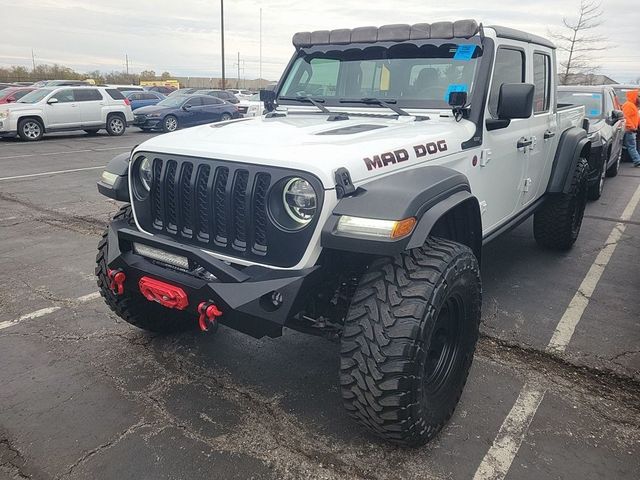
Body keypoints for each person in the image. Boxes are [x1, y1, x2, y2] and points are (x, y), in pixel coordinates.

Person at [621, 89, 640, 166]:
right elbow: (626, 117)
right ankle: (637, 160)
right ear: (634, 96)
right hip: (629, 130)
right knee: (631, 146)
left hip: (631, 129)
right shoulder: (629, 105)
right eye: (638, 96)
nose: (639, 98)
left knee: (629, 146)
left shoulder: (631, 105)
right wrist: (632, 127)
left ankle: (637, 160)